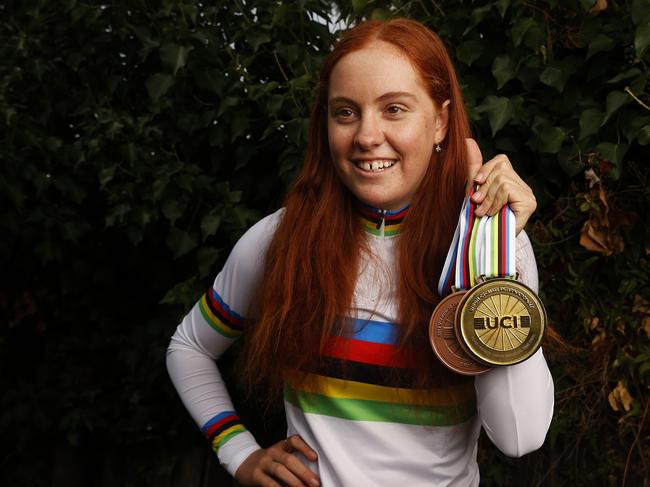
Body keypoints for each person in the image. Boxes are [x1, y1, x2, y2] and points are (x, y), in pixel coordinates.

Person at [166, 18, 554, 487]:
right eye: (345, 112)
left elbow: (518, 436)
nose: (366, 136)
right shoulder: (281, 240)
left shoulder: (496, 248)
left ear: (441, 122)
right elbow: (188, 347)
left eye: (394, 109)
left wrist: (488, 258)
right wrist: (240, 454)